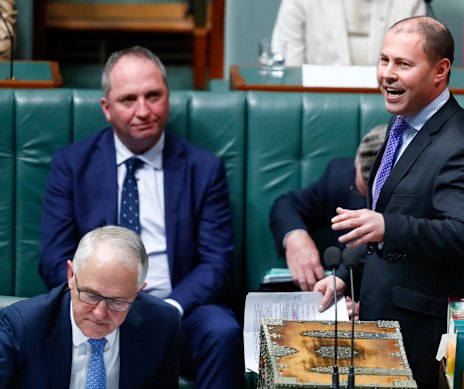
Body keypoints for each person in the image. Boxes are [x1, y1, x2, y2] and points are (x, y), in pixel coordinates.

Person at [39, 46, 244, 388]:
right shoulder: (73, 165)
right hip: (96, 308)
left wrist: (171, 309)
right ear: (107, 108)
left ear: (168, 96)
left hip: (180, 309)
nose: (143, 110)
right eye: (128, 100)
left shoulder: (203, 168)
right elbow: (54, 258)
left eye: (153, 96)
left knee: (222, 330)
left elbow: (216, 262)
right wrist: (98, 303)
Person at [314, 16, 464, 388]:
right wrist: (346, 279)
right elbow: (384, 221)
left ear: (440, 71)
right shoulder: (402, 126)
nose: (387, 74)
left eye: (403, 64)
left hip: (420, 337)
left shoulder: (462, 146)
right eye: (384, 60)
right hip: (379, 327)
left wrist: (387, 227)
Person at [0, 226, 181, 388]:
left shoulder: (163, 325)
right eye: (91, 295)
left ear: (138, 291)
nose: (100, 313)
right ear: (71, 275)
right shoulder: (20, 328)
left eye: (117, 301)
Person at [269, 124, 386, 292]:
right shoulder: (340, 176)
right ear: (357, 164)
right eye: (361, 192)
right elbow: (286, 205)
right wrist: (295, 236)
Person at [271, 0, 426, 66]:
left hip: (389, 109)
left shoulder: (410, 3)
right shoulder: (298, 2)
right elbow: (289, 73)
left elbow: (414, 72)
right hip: (316, 106)